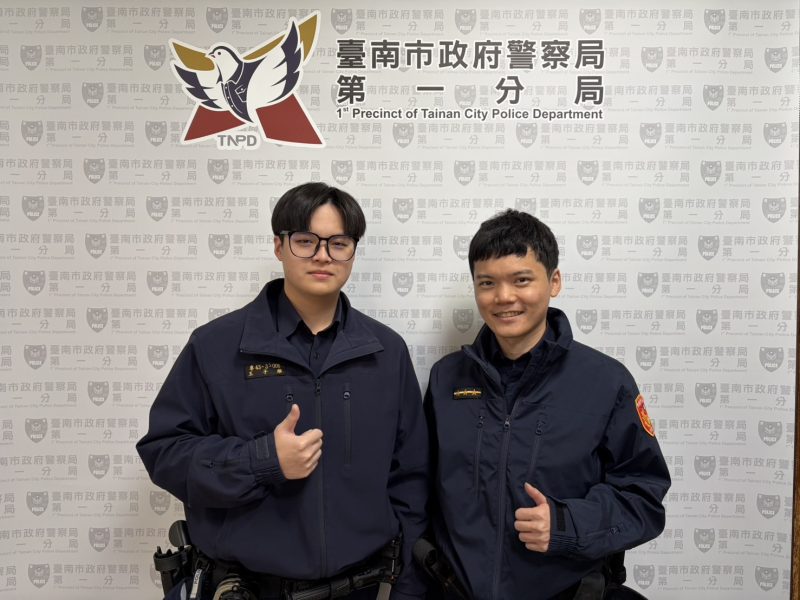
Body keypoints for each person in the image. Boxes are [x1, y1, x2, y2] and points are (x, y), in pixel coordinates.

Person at [137, 182, 428, 600]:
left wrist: (408, 589)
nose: (323, 255)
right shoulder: (216, 345)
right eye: (306, 241)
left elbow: (412, 479)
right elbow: (164, 452)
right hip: (247, 588)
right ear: (279, 246)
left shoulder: (386, 352)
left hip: (362, 588)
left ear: (353, 251)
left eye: (338, 243)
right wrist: (262, 461)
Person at [423, 210, 670, 600]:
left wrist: (568, 524)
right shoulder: (445, 379)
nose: (504, 297)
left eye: (521, 280)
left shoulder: (607, 382)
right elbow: (420, 493)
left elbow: (644, 498)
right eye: (487, 283)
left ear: (554, 282)